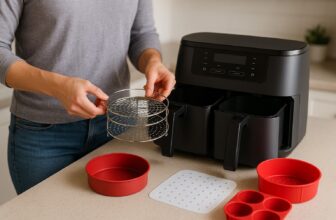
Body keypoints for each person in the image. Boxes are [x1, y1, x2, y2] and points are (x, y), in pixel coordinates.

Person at [0, 0, 175, 194]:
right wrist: (57, 87)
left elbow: (142, 34)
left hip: (117, 126)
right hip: (44, 136)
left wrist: (153, 62)